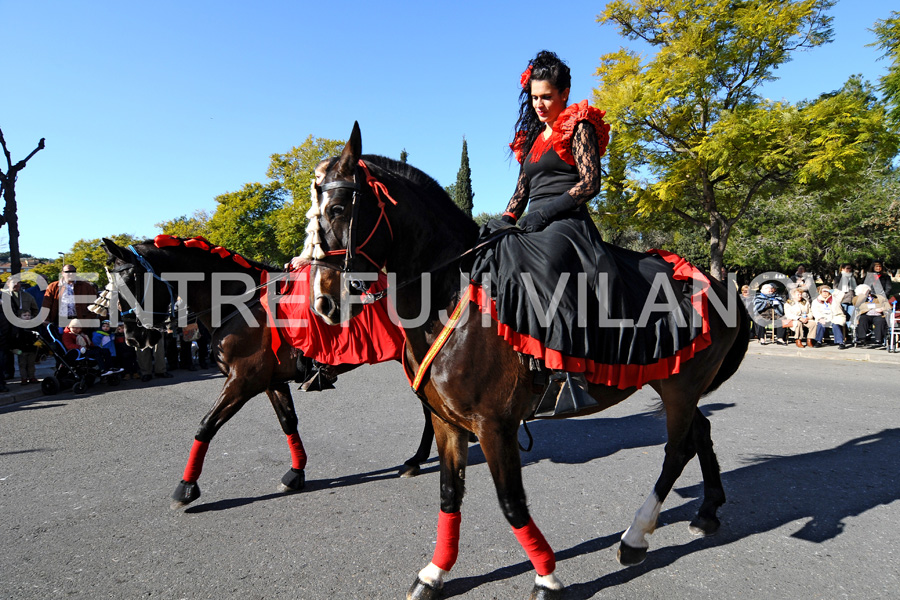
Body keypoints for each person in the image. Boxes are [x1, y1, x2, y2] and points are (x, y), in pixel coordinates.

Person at [466, 50, 710, 396]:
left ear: (564, 93)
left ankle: (565, 371)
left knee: (546, 263)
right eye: (535, 97)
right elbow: (521, 191)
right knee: (490, 249)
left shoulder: (578, 125)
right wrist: (505, 220)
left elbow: (590, 183)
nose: (539, 104)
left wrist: (545, 214)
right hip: (535, 222)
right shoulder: (532, 139)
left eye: (546, 96)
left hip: (567, 222)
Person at [41, 265, 99, 329]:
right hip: (59, 321)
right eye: (68, 272)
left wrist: (87, 320)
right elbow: (46, 304)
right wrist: (46, 319)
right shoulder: (53, 286)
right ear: (62, 273)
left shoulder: (86, 286)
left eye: (73, 271)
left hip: (79, 321)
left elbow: (94, 305)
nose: (71, 274)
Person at [853, 284, 890, 348]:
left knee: (880, 321)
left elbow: (888, 305)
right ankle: (862, 339)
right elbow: (856, 304)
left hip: (877, 314)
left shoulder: (878, 297)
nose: (868, 293)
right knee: (863, 320)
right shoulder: (858, 298)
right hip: (866, 314)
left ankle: (878, 340)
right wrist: (863, 295)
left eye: (868, 291)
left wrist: (883, 309)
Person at [10, 310, 41, 384]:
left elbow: (37, 336)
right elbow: (14, 338)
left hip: (32, 349)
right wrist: (14, 348)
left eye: (28, 315)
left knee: (31, 364)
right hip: (21, 349)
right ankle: (24, 378)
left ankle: (32, 377)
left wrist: (37, 344)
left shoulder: (33, 326)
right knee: (22, 365)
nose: (27, 317)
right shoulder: (17, 327)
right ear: (20, 317)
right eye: (24, 315)